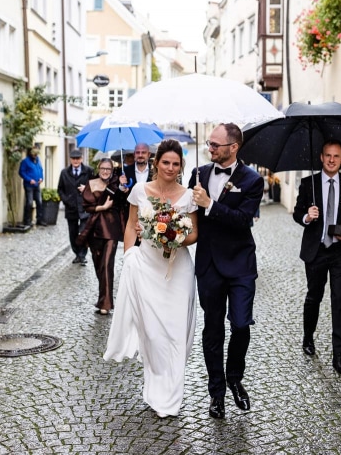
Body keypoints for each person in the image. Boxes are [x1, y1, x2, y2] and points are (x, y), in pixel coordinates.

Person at [104, 139, 199, 419]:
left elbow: (194, 234)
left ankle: (173, 392)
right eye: (166, 162)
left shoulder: (189, 196)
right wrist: (128, 258)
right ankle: (156, 386)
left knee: (176, 331)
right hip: (146, 267)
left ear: (181, 166)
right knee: (153, 333)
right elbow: (130, 228)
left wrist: (174, 236)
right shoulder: (139, 190)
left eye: (176, 163)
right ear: (156, 163)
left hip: (177, 270)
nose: (170, 168)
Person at [188, 123, 263, 420]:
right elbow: (188, 212)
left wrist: (210, 204)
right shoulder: (199, 173)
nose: (211, 148)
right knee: (213, 330)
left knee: (241, 325)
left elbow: (244, 219)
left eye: (216, 145)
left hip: (240, 263)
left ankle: (235, 377)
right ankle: (216, 393)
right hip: (209, 265)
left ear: (234, 147)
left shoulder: (253, 180)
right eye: (209, 143)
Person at [292, 140, 341, 375]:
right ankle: (308, 337)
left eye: (337, 156)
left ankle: (338, 356)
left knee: (340, 301)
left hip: (340, 251)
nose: (332, 160)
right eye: (328, 155)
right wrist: (307, 217)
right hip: (316, 249)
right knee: (314, 296)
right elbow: (297, 213)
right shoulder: (308, 183)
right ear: (321, 157)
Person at [80, 159, 125, 315]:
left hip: (111, 229)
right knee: (98, 265)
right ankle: (103, 297)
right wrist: (102, 207)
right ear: (98, 169)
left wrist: (122, 189)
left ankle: (106, 303)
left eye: (109, 169)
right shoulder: (90, 183)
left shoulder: (116, 183)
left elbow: (121, 203)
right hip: (94, 230)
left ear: (112, 170)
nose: (106, 171)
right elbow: (87, 207)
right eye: (103, 168)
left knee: (107, 264)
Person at [58, 149, 93, 264]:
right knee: (73, 233)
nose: (76, 161)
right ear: (70, 160)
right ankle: (77, 254)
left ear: (81, 159)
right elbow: (60, 189)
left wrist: (86, 190)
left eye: (78, 158)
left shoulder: (88, 171)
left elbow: (95, 186)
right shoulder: (64, 173)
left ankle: (82, 255)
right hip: (71, 208)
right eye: (74, 158)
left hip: (84, 207)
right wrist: (66, 200)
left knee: (83, 232)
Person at [19, 147, 45, 227]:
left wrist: (41, 178)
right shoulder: (25, 161)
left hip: (37, 184)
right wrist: (29, 180)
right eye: (34, 154)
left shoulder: (38, 160)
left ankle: (39, 219)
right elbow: (21, 172)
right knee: (29, 202)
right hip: (29, 185)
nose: (35, 155)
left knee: (39, 202)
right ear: (31, 154)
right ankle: (27, 220)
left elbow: (41, 170)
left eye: (36, 154)